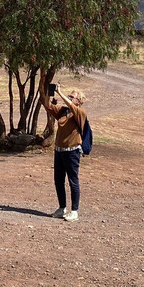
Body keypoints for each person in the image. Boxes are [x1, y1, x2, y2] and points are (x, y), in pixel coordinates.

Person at [41, 83, 87, 222]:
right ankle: (62, 208)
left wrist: (60, 92)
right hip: (59, 151)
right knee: (58, 180)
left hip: (72, 152)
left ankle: (74, 211)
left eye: (72, 97)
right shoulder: (63, 111)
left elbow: (71, 106)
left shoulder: (80, 113)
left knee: (73, 181)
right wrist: (49, 92)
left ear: (79, 101)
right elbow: (47, 105)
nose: (69, 98)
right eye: (69, 96)